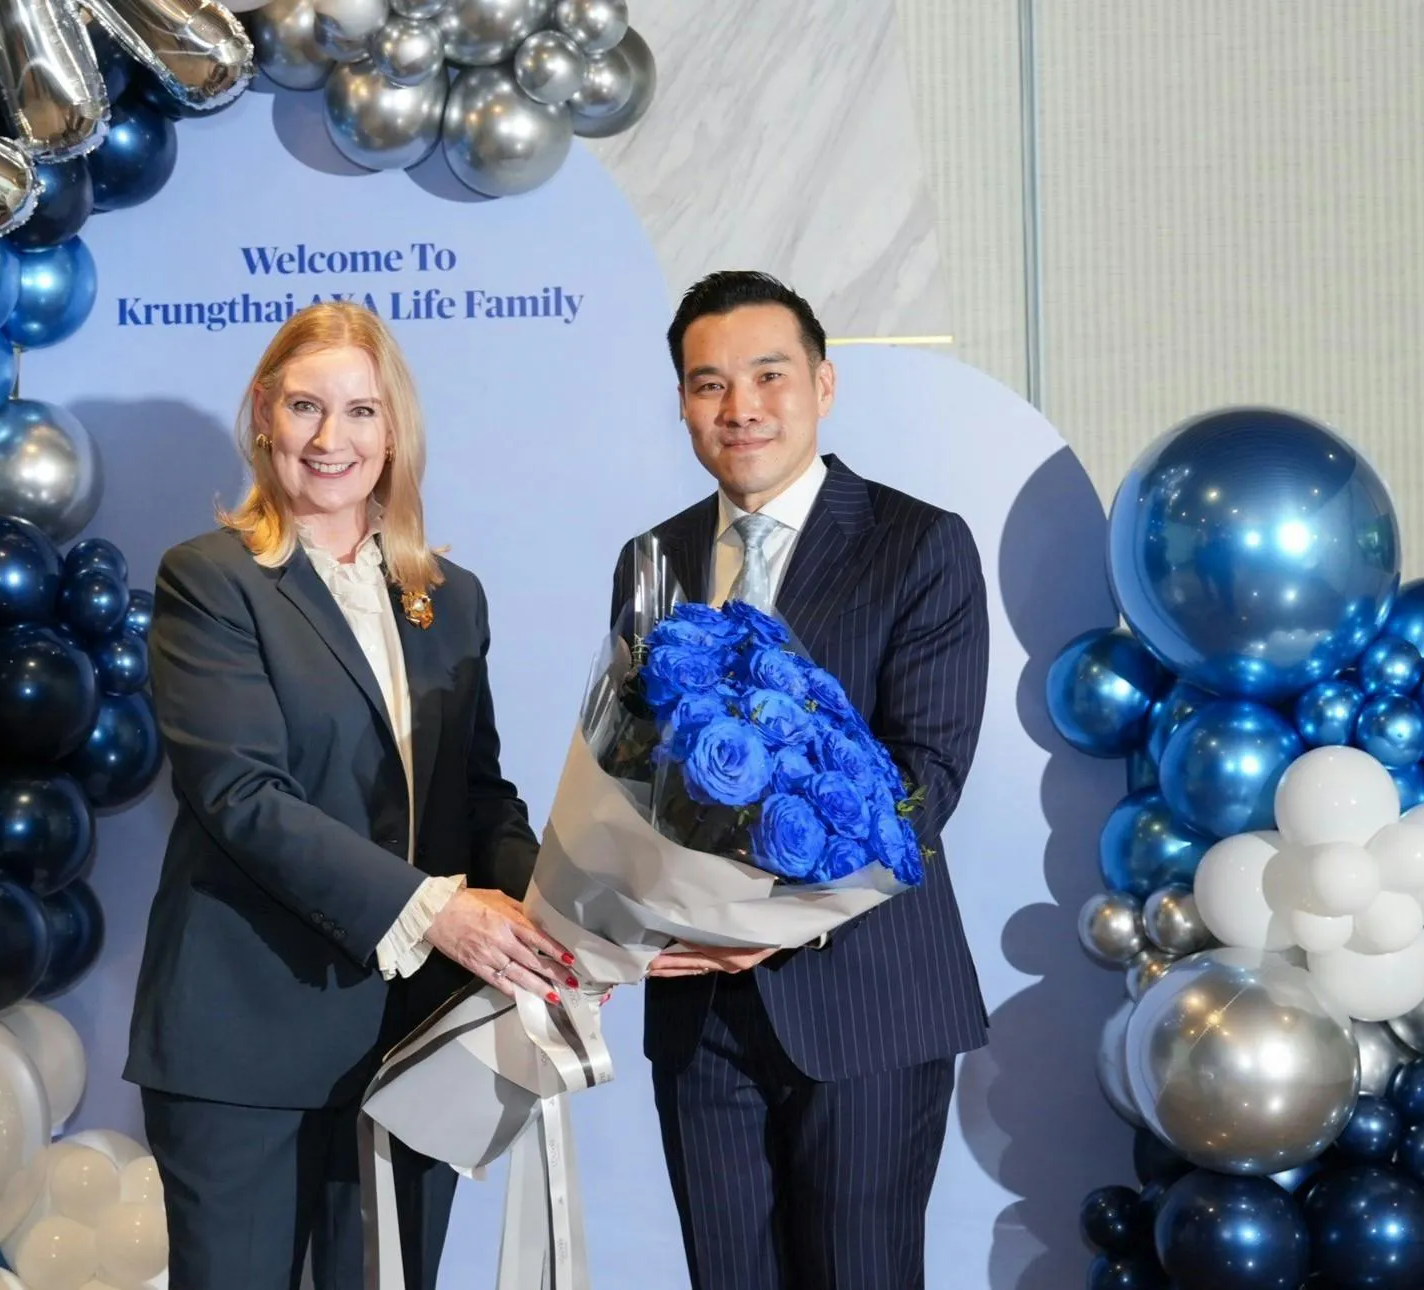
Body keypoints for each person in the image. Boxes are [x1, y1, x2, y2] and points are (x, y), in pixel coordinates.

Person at [127, 301, 575, 1290]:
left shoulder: (449, 595)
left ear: (394, 429)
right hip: (244, 1040)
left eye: (361, 411)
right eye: (305, 407)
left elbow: (477, 795)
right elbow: (242, 794)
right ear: (263, 414)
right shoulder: (210, 581)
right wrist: (439, 911)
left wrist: (559, 921)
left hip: (417, 1042)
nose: (332, 438)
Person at [616, 271, 990, 1289]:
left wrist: (777, 919)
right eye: (708, 384)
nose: (740, 407)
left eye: (768, 375)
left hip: (867, 999)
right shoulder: (652, 560)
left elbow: (924, 778)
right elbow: (631, 772)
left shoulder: (917, 544)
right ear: (683, 403)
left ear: (823, 385)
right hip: (700, 1015)